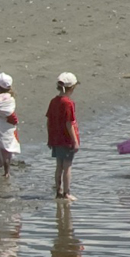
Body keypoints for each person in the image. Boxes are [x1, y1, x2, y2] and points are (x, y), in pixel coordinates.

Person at [46, 72, 80, 200]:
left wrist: (50, 138)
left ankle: (58, 192)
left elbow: (49, 121)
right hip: (66, 140)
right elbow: (69, 123)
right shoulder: (68, 103)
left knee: (58, 166)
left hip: (55, 138)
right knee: (67, 167)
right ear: (72, 88)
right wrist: (75, 141)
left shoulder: (53, 101)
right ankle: (67, 193)